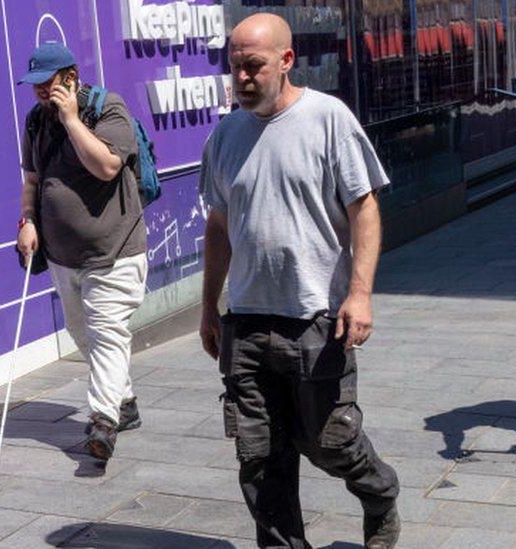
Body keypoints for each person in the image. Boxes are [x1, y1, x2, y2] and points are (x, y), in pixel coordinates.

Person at [198, 14, 400, 549]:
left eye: (253, 66)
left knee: (330, 441)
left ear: (286, 61)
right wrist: (208, 307)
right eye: (234, 66)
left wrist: (359, 293)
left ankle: (379, 492)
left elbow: (366, 208)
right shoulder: (224, 136)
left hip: (315, 319)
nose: (241, 77)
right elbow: (217, 228)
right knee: (259, 457)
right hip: (245, 321)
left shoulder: (327, 118)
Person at [15, 42, 147, 461]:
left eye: (47, 82)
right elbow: (33, 181)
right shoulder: (36, 121)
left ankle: (103, 422)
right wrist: (28, 221)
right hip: (62, 254)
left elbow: (107, 167)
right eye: (33, 83)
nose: (39, 91)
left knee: (107, 331)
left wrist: (71, 118)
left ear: (70, 76)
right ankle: (123, 400)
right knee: (82, 331)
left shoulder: (108, 108)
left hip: (114, 248)